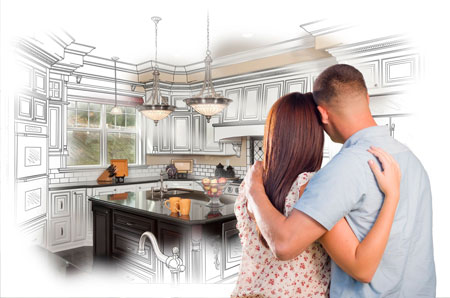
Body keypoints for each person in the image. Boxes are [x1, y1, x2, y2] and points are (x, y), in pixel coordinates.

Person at [243, 64, 436, 297]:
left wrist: (254, 189)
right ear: (366, 97)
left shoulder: (342, 170)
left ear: (323, 114)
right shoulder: (411, 160)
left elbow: (284, 245)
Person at [232, 92, 401, 297]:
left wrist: (254, 189)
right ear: (314, 136)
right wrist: (392, 195)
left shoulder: (251, 183)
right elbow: (362, 268)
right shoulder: (310, 188)